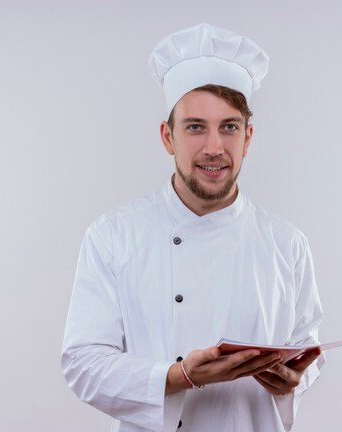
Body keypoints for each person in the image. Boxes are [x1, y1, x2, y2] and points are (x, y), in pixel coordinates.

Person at [61, 23, 324, 432]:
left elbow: (308, 352)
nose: (214, 147)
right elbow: (83, 363)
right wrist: (178, 376)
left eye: (230, 127)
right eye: (195, 127)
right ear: (168, 136)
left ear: (248, 137)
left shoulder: (287, 243)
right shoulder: (114, 235)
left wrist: (294, 380)